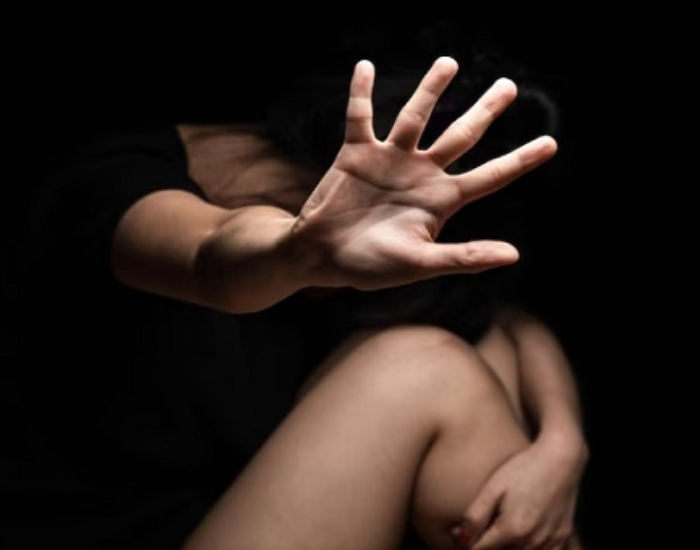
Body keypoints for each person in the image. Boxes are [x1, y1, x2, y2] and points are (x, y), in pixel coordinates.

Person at [2, 37, 588, 549]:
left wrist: (562, 442)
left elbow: (507, 321)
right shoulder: (114, 180)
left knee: (484, 355)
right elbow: (210, 254)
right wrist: (299, 253)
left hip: (225, 516)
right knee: (428, 367)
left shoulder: (362, 263)